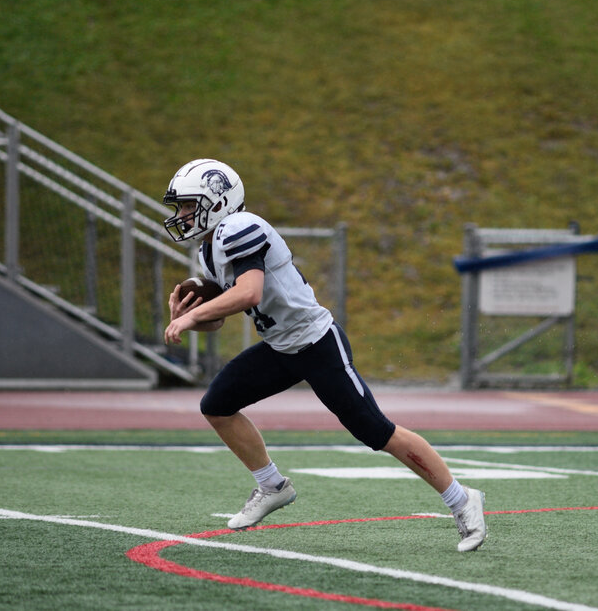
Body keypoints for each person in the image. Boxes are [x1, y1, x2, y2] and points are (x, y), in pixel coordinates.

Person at [162, 158, 487, 552]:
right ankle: (272, 485)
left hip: (316, 343)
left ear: (217, 201)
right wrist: (190, 318)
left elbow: (249, 293)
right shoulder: (210, 247)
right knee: (217, 405)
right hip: (281, 346)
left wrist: (194, 314)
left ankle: (461, 499)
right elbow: (225, 317)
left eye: (186, 205)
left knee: (377, 431)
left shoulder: (239, 227)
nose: (181, 215)